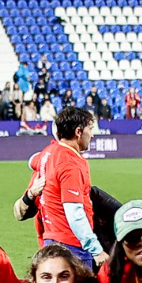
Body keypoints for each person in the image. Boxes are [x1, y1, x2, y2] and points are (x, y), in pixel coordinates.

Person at [16, 106, 107, 269]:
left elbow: (32, 160)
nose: (92, 135)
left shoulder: (47, 154)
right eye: (90, 129)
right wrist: (96, 251)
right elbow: (74, 213)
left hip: (50, 242)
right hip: (72, 247)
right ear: (79, 132)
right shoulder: (70, 163)